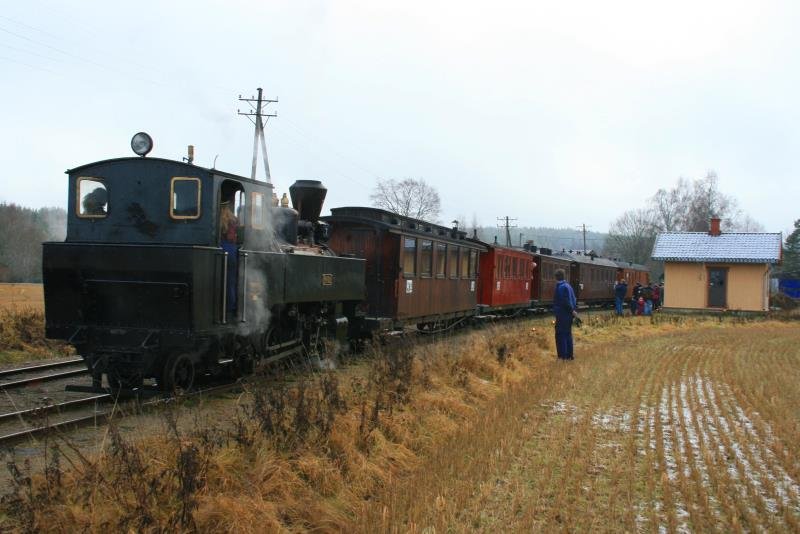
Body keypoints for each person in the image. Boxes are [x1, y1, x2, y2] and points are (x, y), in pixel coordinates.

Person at [552, 268, 580, 360]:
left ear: (556, 277)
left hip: (562, 314)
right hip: (568, 315)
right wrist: (573, 311)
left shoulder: (560, 287)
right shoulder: (568, 286)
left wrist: (572, 311)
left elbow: (565, 301)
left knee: (560, 335)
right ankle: (569, 355)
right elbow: (574, 299)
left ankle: (562, 356)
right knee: (568, 334)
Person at [220, 200, 239, 315]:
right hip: (231, 249)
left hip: (221, 247)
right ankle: (231, 307)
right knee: (230, 281)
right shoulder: (233, 219)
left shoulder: (217, 219)